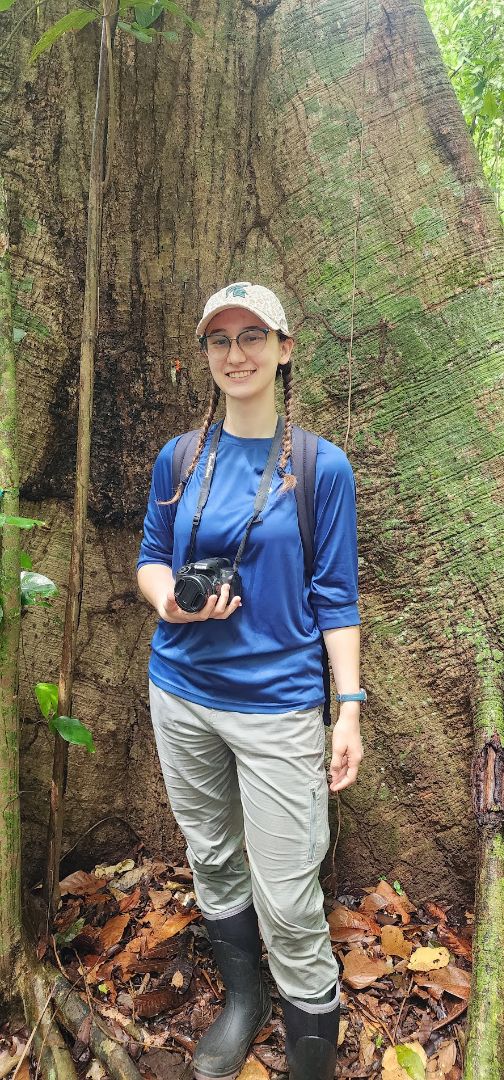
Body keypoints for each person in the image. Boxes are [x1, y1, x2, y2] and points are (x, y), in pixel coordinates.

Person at [136, 282, 365, 1080]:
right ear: (205, 355)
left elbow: (337, 597)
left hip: (277, 710)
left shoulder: (319, 468)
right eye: (219, 340)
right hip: (181, 694)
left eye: (253, 336)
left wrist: (349, 710)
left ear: (284, 347)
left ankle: (310, 1062)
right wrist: (168, 598)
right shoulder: (181, 457)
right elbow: (151, 557)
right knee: (212, 858)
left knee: (292, 897)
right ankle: (245, 1002)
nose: (236, 354)